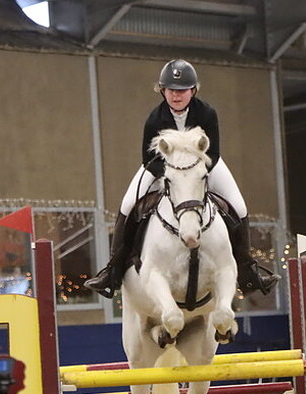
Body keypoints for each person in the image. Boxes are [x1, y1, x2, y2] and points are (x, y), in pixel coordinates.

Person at [84, 59, 280, 299]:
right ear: (162, 91)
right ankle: (112, 270)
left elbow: (213, 153)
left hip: (204, 166)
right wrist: (173, 173)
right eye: (170, 90)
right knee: (127, 204)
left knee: (239, 206)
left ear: (193, 91)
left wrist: (193, 173)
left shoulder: (207, 113)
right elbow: (148, 158)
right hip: (162, 169)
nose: (176, 95)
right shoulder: (154, 119)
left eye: (182, 90)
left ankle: (248, 269)